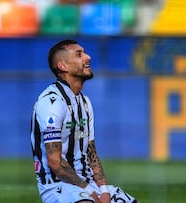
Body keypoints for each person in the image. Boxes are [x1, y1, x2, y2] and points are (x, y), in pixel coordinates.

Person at [30, 39, 138, 203]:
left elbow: (91, 152)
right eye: (79, 54)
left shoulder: (85, 103)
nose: (88, 57)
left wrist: (103, 191)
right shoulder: (51, 102)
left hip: (89, 184)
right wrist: (91, 194)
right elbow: (55, 162)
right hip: (58, 186)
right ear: (63, 66)